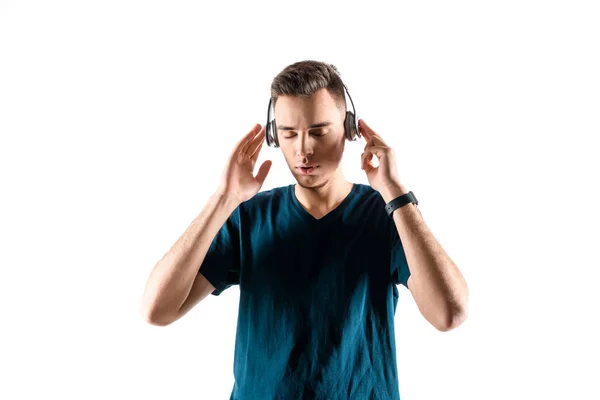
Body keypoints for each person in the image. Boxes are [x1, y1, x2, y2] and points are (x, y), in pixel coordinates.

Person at [140, 60, 469, 399]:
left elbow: (450, 313)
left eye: (318, 132)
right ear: (273, 136)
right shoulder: (249, 217)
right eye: (289, 134)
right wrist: (223, 199)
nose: (303, 149)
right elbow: (157, 310)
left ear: (350, 129)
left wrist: (396, 193)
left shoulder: (386, 216)